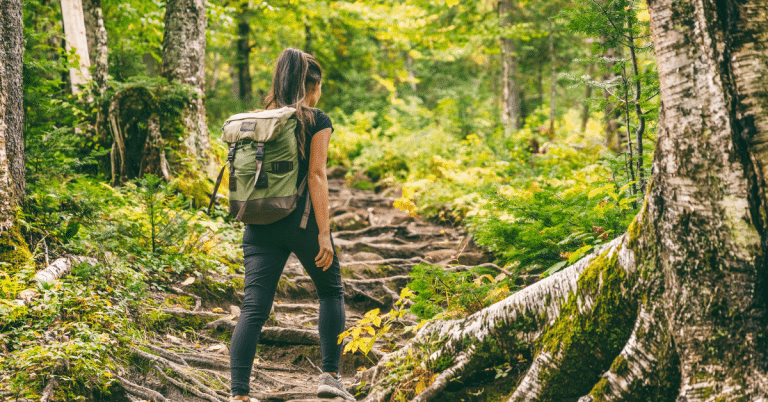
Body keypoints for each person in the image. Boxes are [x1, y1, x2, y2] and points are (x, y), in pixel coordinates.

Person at [229, 48, 355, 401]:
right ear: (311, 85)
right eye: (319, 86)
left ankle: (239, 393)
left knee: (253, 307)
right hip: (302, 224)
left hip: (259, 224)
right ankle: (329, 375)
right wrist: (324, 233)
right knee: (330, 292)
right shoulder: (317, 119)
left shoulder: (257, 120)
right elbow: (317, 174)